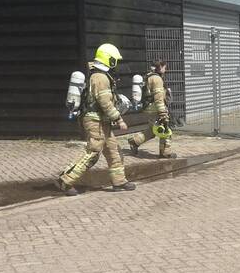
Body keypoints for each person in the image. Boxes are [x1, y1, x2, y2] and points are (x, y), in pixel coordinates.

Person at [56, 43, 136, 196]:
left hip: (102, 120)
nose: (116, 63)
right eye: (115, 60)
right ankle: (65, 180)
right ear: (109, 59)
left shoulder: (102, 75)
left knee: (114, 151)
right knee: (93, 152)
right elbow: (104, 102)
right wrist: (119, 119)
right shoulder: (99, 77)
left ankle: (119, 181)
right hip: (94, 120)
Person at [128, 60, 175, 159]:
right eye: (164, 67)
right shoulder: (157, 79)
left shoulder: (149, 76)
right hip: (156, 109)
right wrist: (163, 113)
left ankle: (135, 141)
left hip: (150, 108)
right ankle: (165, 152)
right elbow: (158, 97)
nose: (165, 70)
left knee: (153, 130)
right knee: (165, 130)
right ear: (160, 67)